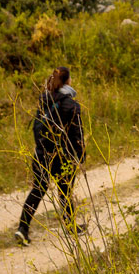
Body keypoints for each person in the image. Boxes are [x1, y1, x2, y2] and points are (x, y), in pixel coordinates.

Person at [14, 66, 86, 245]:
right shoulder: (71, 105)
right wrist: (80, 156)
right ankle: (70, 227)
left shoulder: (44, 101)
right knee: (65, 191)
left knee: (38, 190)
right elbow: (77, 135)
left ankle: (22, 228)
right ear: (68, 81)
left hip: (42, 154)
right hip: (63, 156)